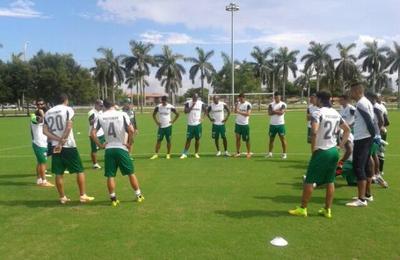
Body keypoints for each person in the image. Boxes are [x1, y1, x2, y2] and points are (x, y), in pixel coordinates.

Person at [289, 90, 350, 218]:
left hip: (322, 150)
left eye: (315, 98)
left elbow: (315, 132)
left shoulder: (317, 112)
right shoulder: (335, 113)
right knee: (330, 180)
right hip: (333, 150)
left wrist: (313, 149)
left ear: (320, 99)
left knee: (309, 180)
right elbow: (347, 130)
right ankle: (327, 210)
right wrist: (340, 145)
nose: (314, 100)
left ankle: (303, 208)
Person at [43, 93, 95, 204]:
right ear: (66, 100)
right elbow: (68, 126)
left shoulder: (47, 113)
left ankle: (62, 197)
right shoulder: (68, 110)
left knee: (58, 172)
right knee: (79, 170)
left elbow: (45, 131)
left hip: (55, 145)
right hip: (68, 145)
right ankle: (82, 195)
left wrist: (57, 139)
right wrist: (62, 140)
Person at [91, 99, 144, 206]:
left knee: (110, 175)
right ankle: (138, 195)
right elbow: (131, 130)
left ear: (104, 106)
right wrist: (129, 142)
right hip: (121, 148)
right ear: (114, 105)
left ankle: (113, 199)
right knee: (130, 173)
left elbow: (93, 133)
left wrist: (100, 145)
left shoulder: (100, 116)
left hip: (109, 149)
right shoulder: (122, 114)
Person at [345, 83, 377, 207]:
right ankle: (367, 195)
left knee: (358, 167)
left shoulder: (361, 103)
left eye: (352, 91)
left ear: (358, 91)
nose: (350, 94)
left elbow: (369, 121)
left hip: (363, 138)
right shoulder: (366, 102)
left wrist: (373, 135)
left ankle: (361, 199)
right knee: (367, 166)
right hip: (366, 138)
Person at [30, 98, 54, 187]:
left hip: (43, 143)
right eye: (38, 104)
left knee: (40, 162)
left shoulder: (46, 115)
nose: (40, 106)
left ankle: (39, 179)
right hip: (39, 143)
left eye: (42, 104)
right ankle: (44, 181)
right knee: (43, 162)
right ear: (36, 106)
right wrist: (42, 114)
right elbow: (39, 120)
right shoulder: (33, 116)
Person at [180, 93, 206, 159]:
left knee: (197, 139)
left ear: (198, 98)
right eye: (194, 97)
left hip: (198, 124)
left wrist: (203, 118)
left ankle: (196, 153)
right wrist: (192, 105)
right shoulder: (188, 103)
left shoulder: (201, 103)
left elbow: (206, 111)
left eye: (196, 98)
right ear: (192, 97)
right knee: (188, 139)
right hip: (190, 125)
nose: (195, 99)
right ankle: (184, 153)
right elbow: (186, 111)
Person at [267, 92, 288, 159]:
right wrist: (277, 111)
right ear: (274, 97)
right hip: (272, 125)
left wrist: (274, 111)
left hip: (280, 124)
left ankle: (284, 154)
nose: (277, 98)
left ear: (280, 97)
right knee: (271, 140)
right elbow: (269, 113)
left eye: (278, 97)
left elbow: (281, 113)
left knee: (282, 139)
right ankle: (270, 153)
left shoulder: (283, 104)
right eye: (276, 97)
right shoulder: (271, 104)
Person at [88, 99, 105, 169]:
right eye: (100, 106)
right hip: (94, 134)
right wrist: (97, 119)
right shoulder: (91, 112)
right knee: (94, 149)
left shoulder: (101, 112)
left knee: (107, 146)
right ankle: (95, 164)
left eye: (102, 106)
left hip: (102, 133)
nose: (101, 107)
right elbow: (90, 122)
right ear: (96, 105)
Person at [234, 93, 252, 158]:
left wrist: (239, 112)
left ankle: (249, 152)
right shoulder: (238, 104)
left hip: (245, 125)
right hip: (238, 124)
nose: (240, 100)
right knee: (237, 138)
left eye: (241, 98)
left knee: (247, 139)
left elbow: (248, 114)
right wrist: (236, 106)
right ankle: (238, 152)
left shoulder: (248, 105)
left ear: (244, 98)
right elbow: (235, 111)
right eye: (239, 98)